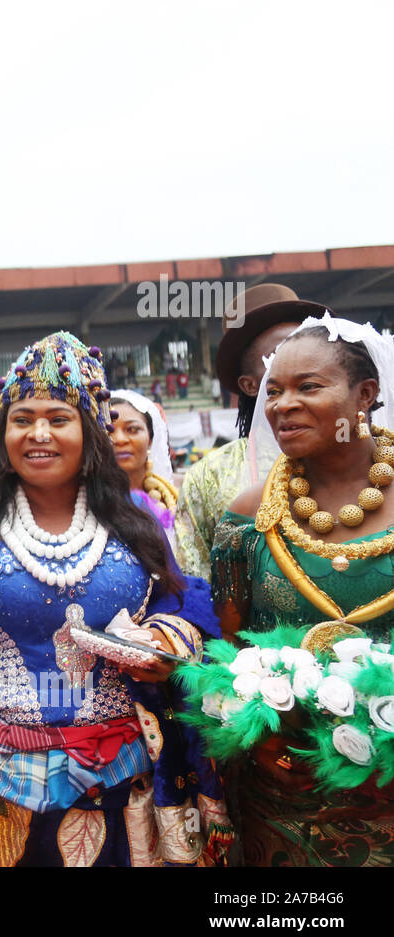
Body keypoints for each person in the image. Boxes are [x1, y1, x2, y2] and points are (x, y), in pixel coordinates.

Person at [0, 332, 229, 867]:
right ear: (3, 432)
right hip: (2, 786)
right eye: (21, 419)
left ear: (89, 431)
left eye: (58, 418)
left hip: (129, 782)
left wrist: (164, 642)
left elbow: (186, 602)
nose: (38, 433)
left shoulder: (135, 517)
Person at [211, 316, 394, 865]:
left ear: (366, 394)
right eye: (273, 391)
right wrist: (259, 734)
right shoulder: (247, 517)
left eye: (308, 387)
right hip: (286, 792)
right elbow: (227, 645)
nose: (282, 405)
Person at [173, 285, 326, 577]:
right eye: (280, 353)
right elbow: (195, 585)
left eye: (308, 346)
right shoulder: (210, 477)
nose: (300, 360)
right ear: (249, 385)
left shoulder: (370, 461)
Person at [109, 390, 178, 545]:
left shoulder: (177, 500)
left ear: (150, 439)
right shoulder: (84, 506)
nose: (119, 440)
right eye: (110, 430)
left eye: (132, 429)